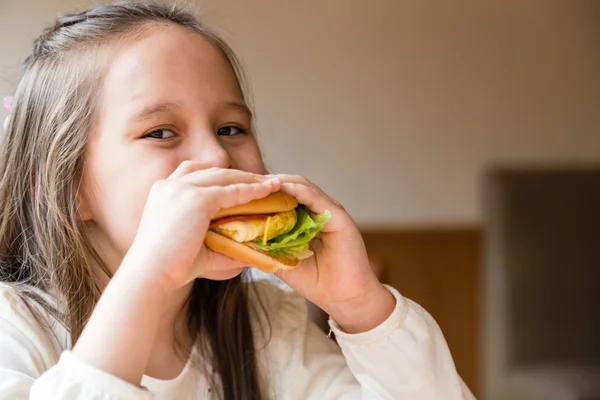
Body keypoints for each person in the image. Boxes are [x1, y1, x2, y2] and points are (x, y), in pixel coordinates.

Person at [0, 1, 476, 399]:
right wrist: (147, 277)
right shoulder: (14, 331)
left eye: (231, 128)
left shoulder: (266, 326)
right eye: (161, 132)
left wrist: (359, 304)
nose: (216, 154)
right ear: (64, 187)